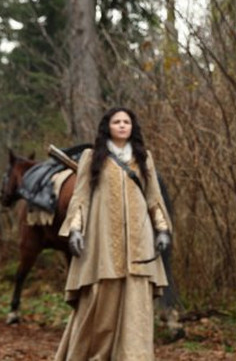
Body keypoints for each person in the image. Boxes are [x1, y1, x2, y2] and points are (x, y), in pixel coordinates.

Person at [55, 107, 172, 361]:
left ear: (132, 127)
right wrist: (75, 229)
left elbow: (153, 198)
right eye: (116, 121)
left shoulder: (144, 158)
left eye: (126, 122)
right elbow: (81, 197)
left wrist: (162, 229)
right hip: (102, 241)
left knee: (136, 303)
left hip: (139, 242)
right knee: (100, 301)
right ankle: (94, 355)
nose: (121, 125)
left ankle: (134, 356)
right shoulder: (92, 157)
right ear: (107, 126)